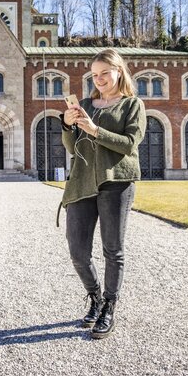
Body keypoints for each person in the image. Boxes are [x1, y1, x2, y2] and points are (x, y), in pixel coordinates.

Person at [59, 48, 146, 339]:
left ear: (118, 71)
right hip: (82, 182)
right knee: (78, 252)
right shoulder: (86, 104)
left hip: (116, 181)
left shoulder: (132, 105)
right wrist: (68, 125)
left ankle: (109, 306)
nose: (99, 80)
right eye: (94, 75)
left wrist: (96, 130)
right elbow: (73, 147)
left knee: (113, 250)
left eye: (104, 74)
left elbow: (130, 144)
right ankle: (95, 296)